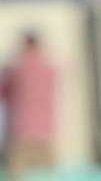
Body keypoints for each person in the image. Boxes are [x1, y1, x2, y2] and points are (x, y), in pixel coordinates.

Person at [0, 33, 58, 180]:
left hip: (21, 130)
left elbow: (3, 93)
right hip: (45, 130)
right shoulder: (49, 69)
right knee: (48, 175)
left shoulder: (15, 70)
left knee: (15, 174)